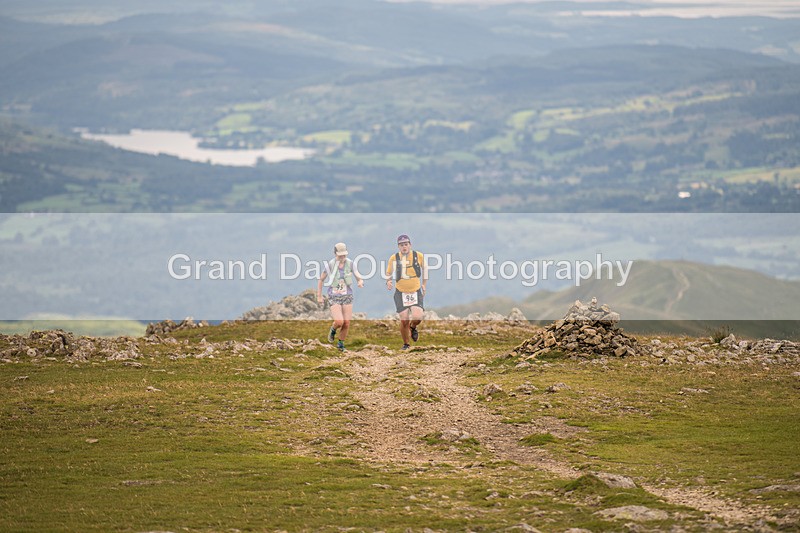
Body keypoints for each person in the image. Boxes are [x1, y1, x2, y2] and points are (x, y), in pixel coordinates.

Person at [317, 242, 363, 351]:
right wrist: (319, 296)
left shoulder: (351, 264)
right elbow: (321, 279)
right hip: (334, 295)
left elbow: (358, 276)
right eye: (340, 255)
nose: (342, 257)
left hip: (347, 295)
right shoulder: (331, 265)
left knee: (346, 322)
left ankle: (341, 344)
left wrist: (360, 281)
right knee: (339, 321)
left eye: (344, 255)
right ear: (335, 254)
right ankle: (333, 329)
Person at [385, 234, 427, 350]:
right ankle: (406, 344)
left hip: (415, 290)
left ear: (410, 245)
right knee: (404, 320)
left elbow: (425, 269)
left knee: (418, 317)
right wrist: (388, 281)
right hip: (400, 292)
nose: (404, 247)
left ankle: (413, 327)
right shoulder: (394, 258)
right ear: (398, 246)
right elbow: (388, 273)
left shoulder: (418, 256)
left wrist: (424, 284)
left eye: (406, 244)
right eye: (402, 245)